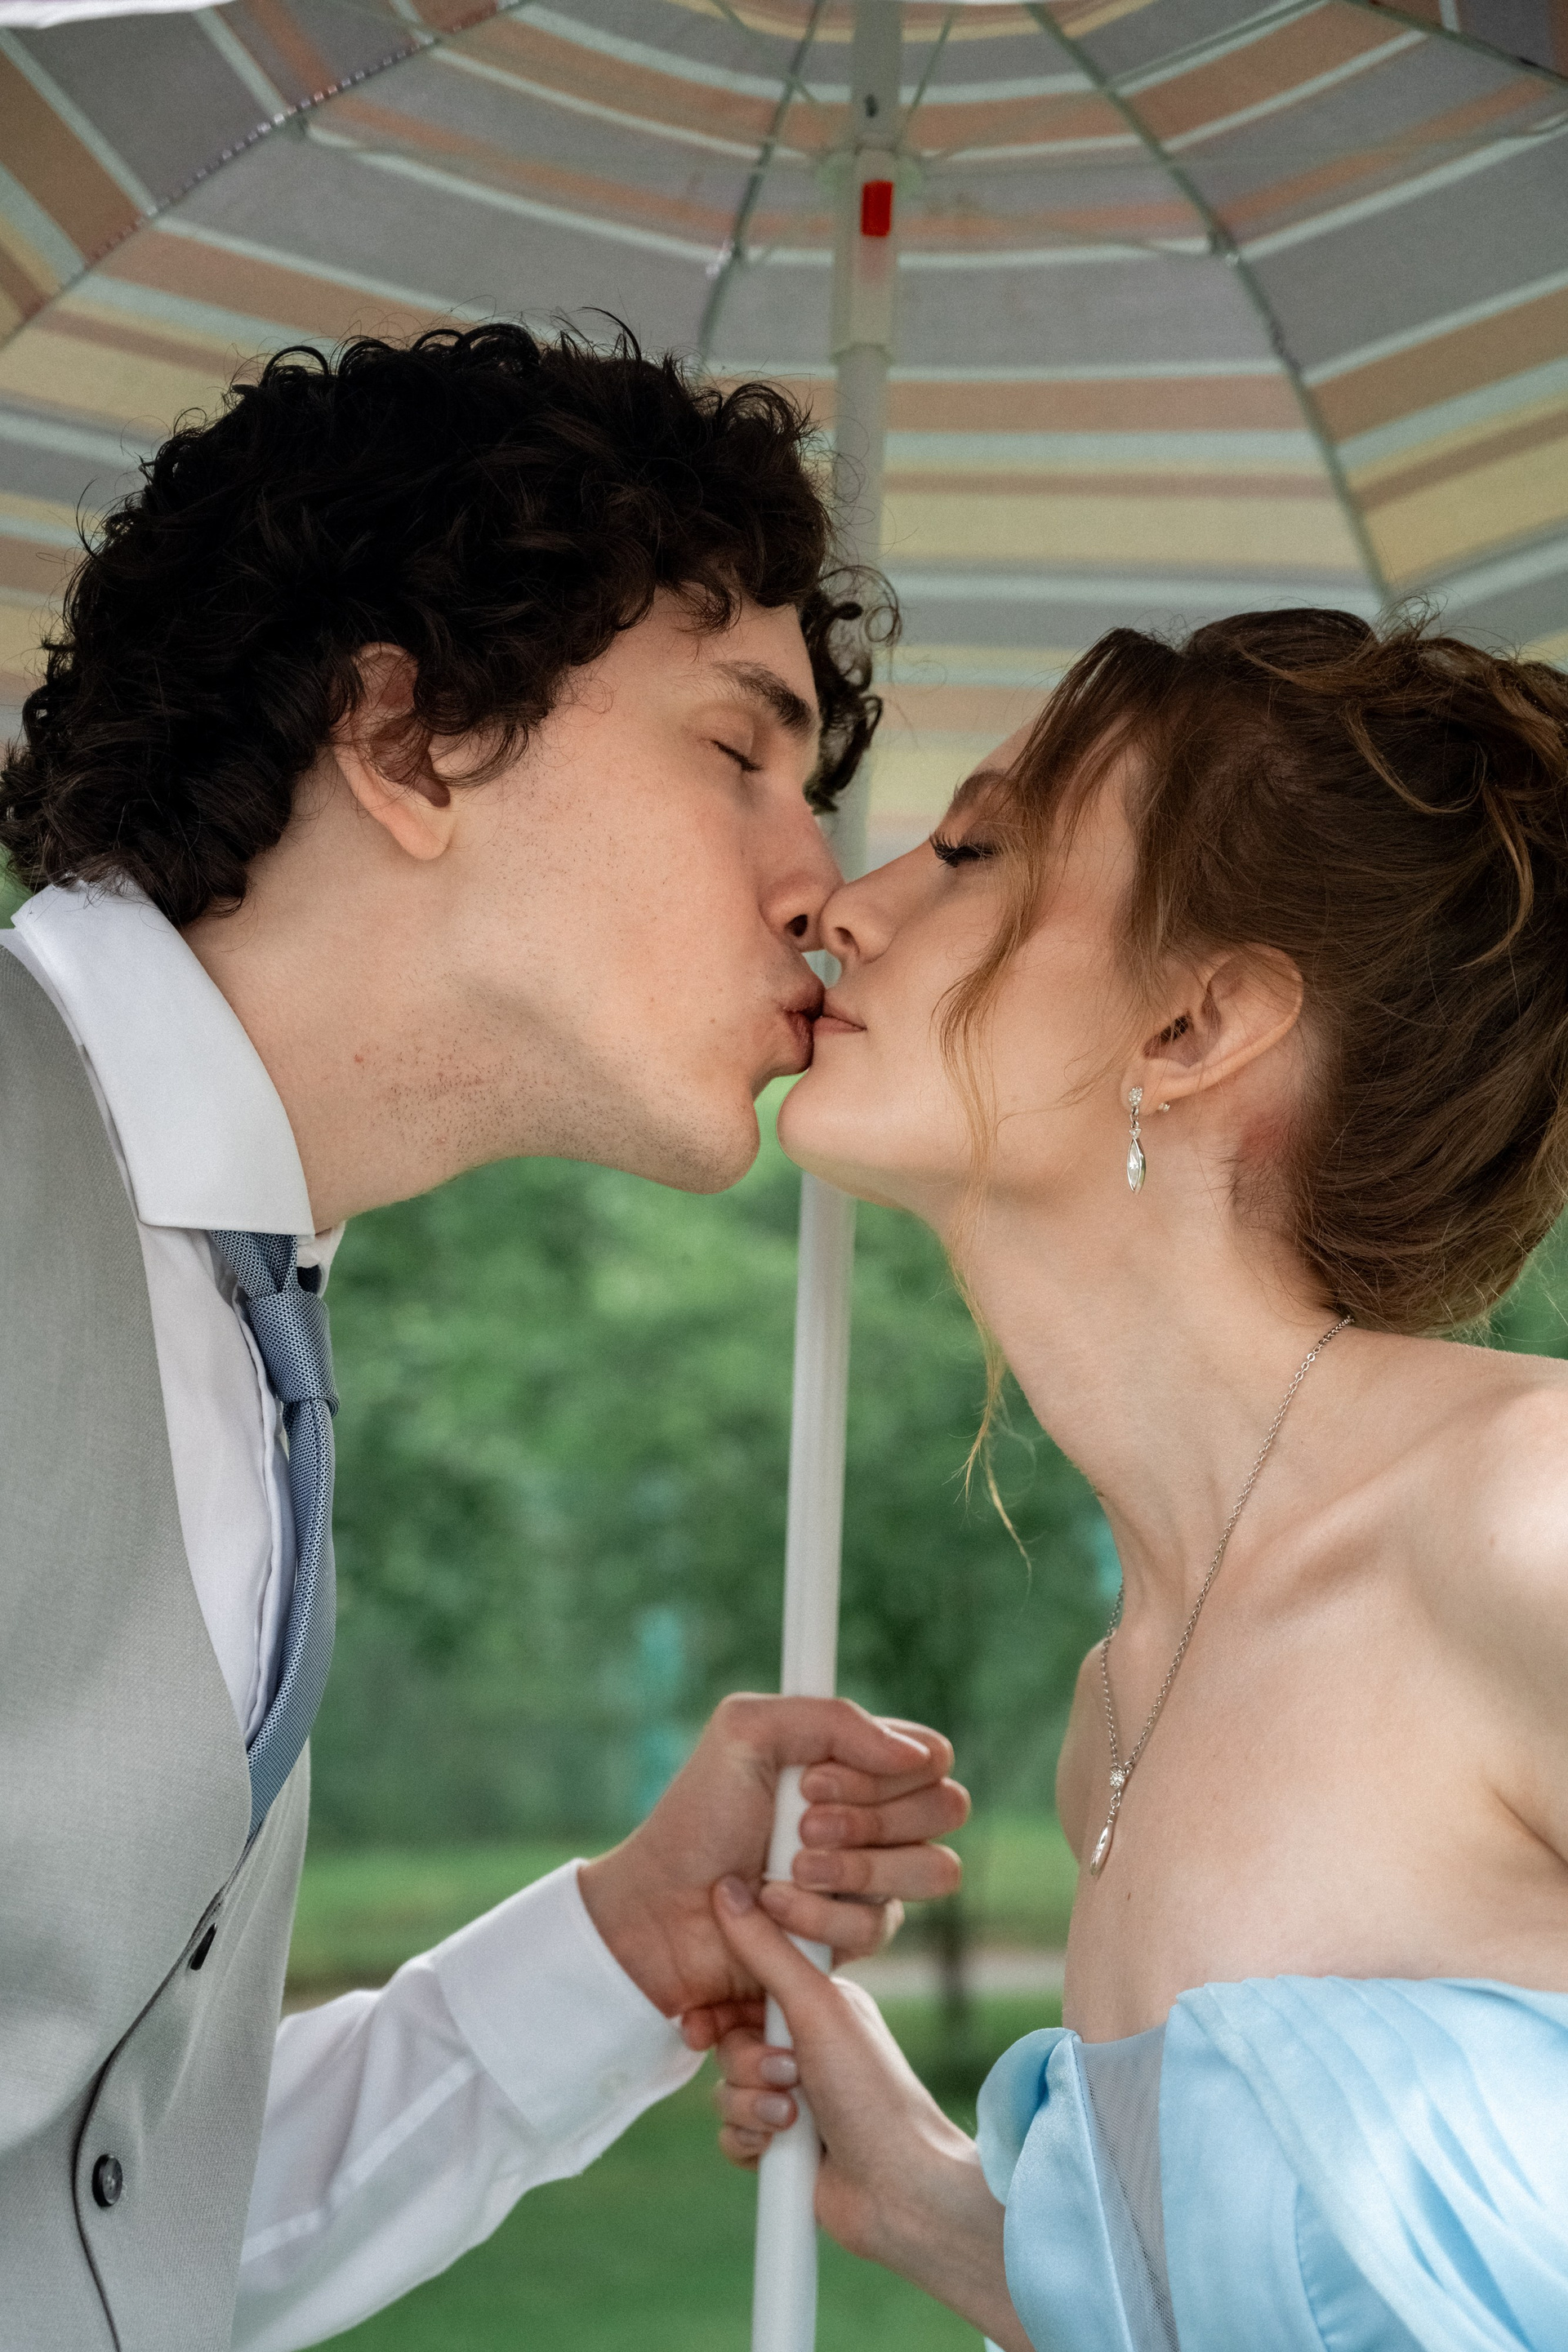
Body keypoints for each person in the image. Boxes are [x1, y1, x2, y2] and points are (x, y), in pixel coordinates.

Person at [0, 324, 969, 2352]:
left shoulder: (245, 1305)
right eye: (740, 754)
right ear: (412, 739)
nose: (822, 885)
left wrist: (625, 1947)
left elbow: (106, 2223)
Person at [710, 608, 1568, 2351]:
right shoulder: (1115, 1706)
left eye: (975, 853)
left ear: (1194, 1025)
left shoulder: (1522, 1515)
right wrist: (947, 2217)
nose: (847, 906)